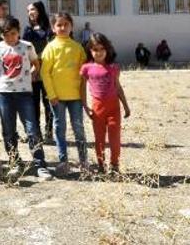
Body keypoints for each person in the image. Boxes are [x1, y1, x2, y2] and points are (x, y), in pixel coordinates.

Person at [0, 16, 53, 180]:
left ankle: (40, 164)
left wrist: (34, 70)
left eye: (13, 33)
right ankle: (15, 162)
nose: (10, 38)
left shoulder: (27, 46)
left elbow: (35, 62)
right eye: (6, 35)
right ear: (1, 35)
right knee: (9, 131)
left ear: (18, 31)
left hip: (24, 93)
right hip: (4, 94)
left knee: (32, 129)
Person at [41, 12, 88, 176]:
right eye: (58, 25)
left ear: (71, 27)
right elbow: (45, 73)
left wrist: (84, 96)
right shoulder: (50, 48)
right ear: (53, 28)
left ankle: (84, 162)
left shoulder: (78, 48)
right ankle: (63, 161)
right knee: (60, 129)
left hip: (75, 96)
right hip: (57, 98)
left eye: (65, 24)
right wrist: (51, 94)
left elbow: (84, 73)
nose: (62, 27)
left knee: (79, 128)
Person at [81, 33, 131, 175]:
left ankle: (115, 165)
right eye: (95, 49)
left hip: (114, 107)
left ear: (107, 49)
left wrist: (126, 106)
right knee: (99, 138)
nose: (99, 52)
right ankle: (101, 165)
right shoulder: (87, 68)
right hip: (97, 109)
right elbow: (82, 88)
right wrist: (86, 107)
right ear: (90, 50)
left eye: (102, 48)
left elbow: (118, 87)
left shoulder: (113, 67)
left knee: (115, 138)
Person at [23, 1, 54, 143]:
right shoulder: (27, 31)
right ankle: (37, 133)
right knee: (34, 103)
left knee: (48, 103)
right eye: (28, 10)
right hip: (33, 72)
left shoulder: (49, 29)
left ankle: (49, 132)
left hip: (47, 71)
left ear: (40, 10)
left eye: (33, 9)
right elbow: (24, 51)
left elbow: (53, 49)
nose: (30, 12)